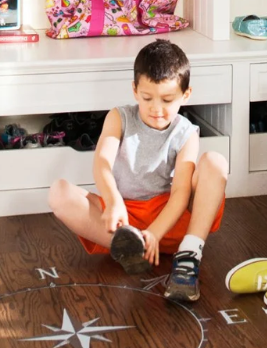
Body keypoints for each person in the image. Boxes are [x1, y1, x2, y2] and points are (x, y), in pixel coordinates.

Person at [48, 39, 228, 302]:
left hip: (170, 223)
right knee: (58, 193)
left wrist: (155, 232)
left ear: (185, 95)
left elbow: (180, 192)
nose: (156, 108)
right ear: (135, 91)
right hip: (123, 220)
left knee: (215, 162)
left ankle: (189, 254)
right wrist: (113, 201)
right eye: (147, 98)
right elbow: (102, 163)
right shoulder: (119, 117)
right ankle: (131, 247)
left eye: (167, 99)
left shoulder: (186, 133)